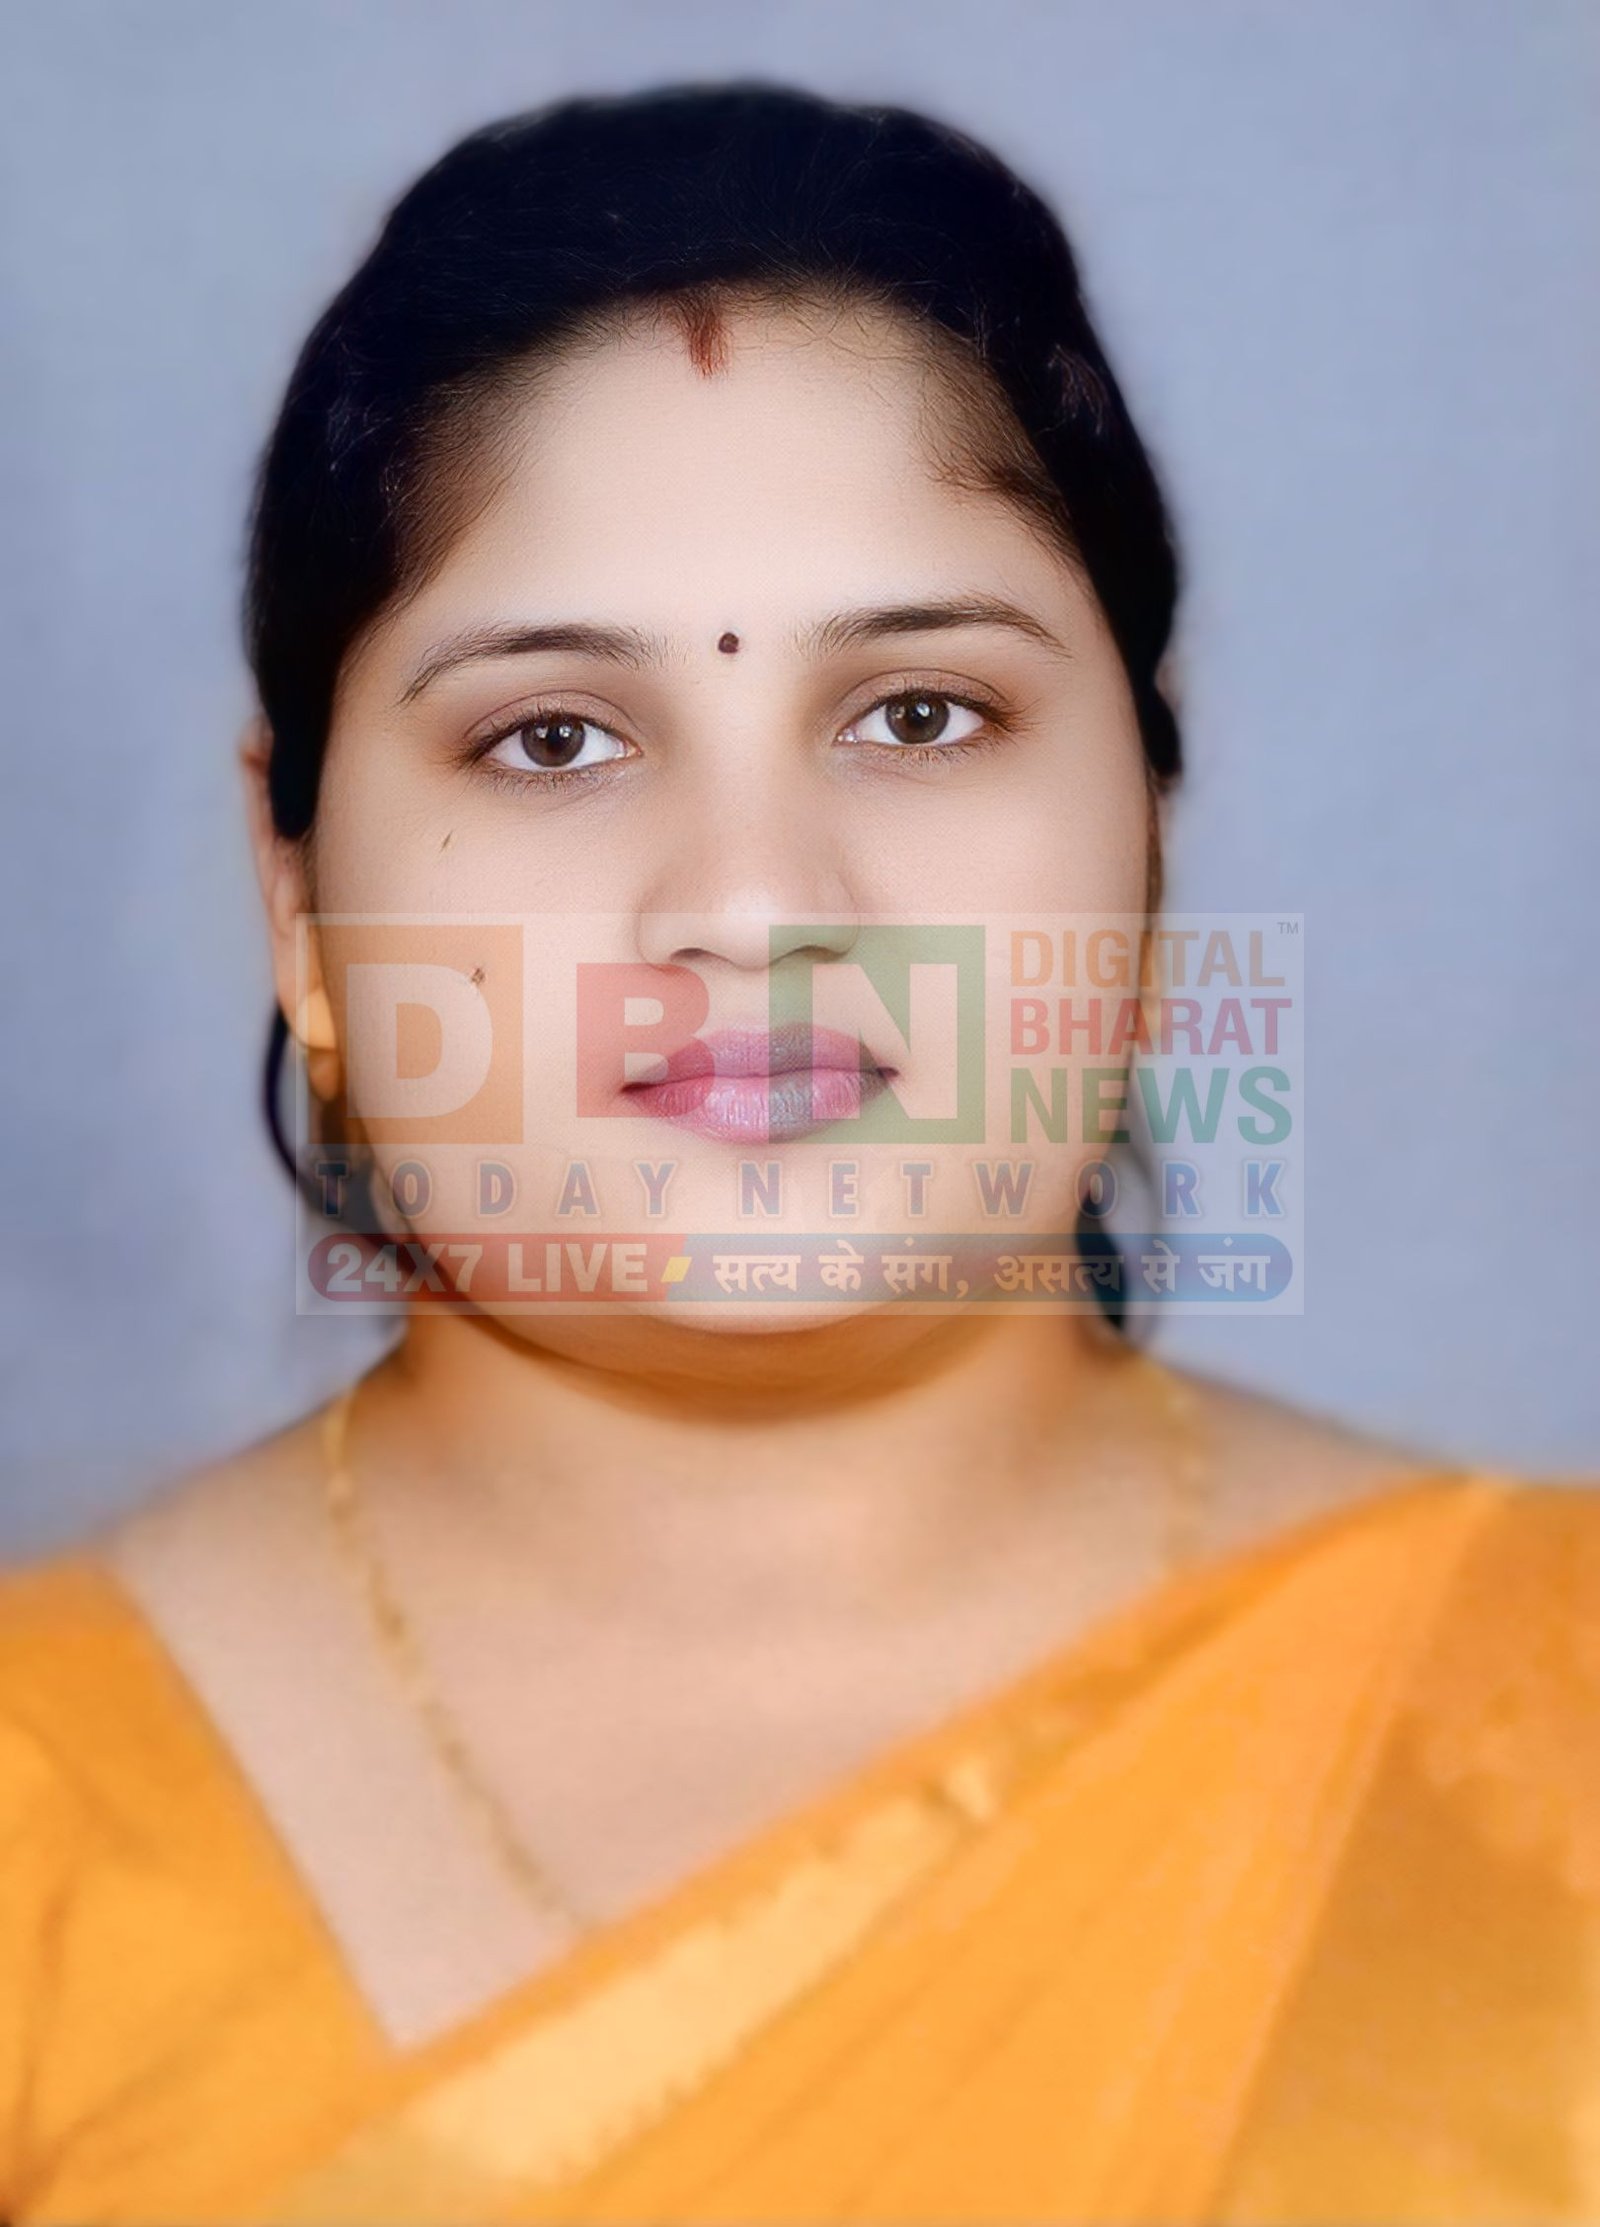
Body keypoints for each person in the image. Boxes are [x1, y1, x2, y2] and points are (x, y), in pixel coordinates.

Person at [1, 81, 1596, 2227]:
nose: (754, 906)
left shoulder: (1550, 1722)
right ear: (296, 900)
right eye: (553, 737)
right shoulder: (39, 1825)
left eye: (919, 714)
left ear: (1147, 823)